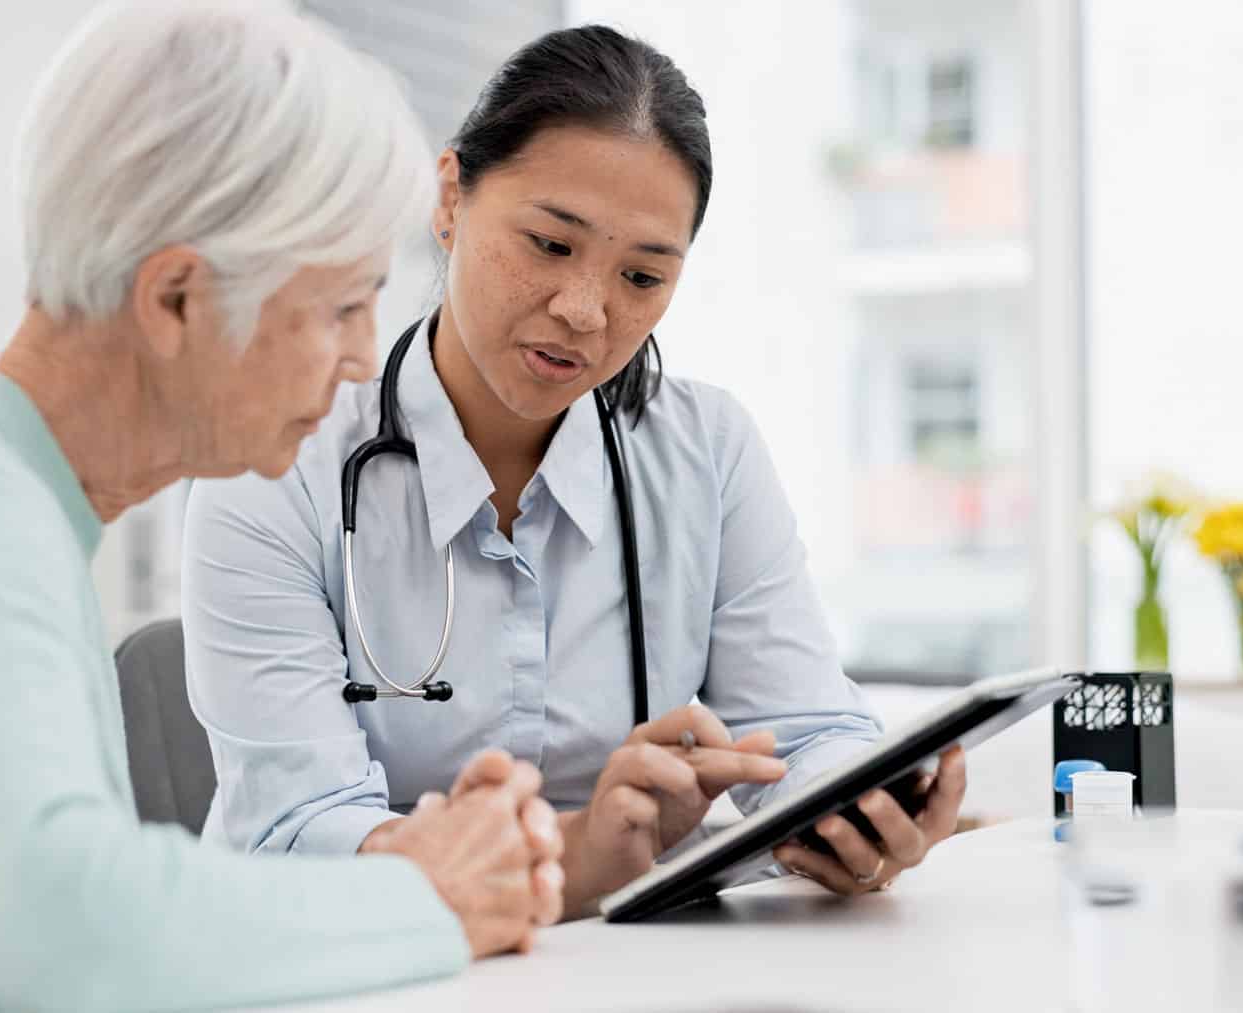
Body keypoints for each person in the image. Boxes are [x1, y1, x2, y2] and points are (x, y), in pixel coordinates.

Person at [0, 4, 564, 1011]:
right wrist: (427, 891)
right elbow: (67, 929)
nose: (361, 357)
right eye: (341, 305)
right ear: (175, 298)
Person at [182, 24, 969, 918]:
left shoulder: (706, 450)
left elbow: (807, 730)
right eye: (551, 246)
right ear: (450, 198)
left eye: (642, 276)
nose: (586, 312)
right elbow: (298, 832)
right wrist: (581, 852)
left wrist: (855, 806)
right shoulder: (278, 462)